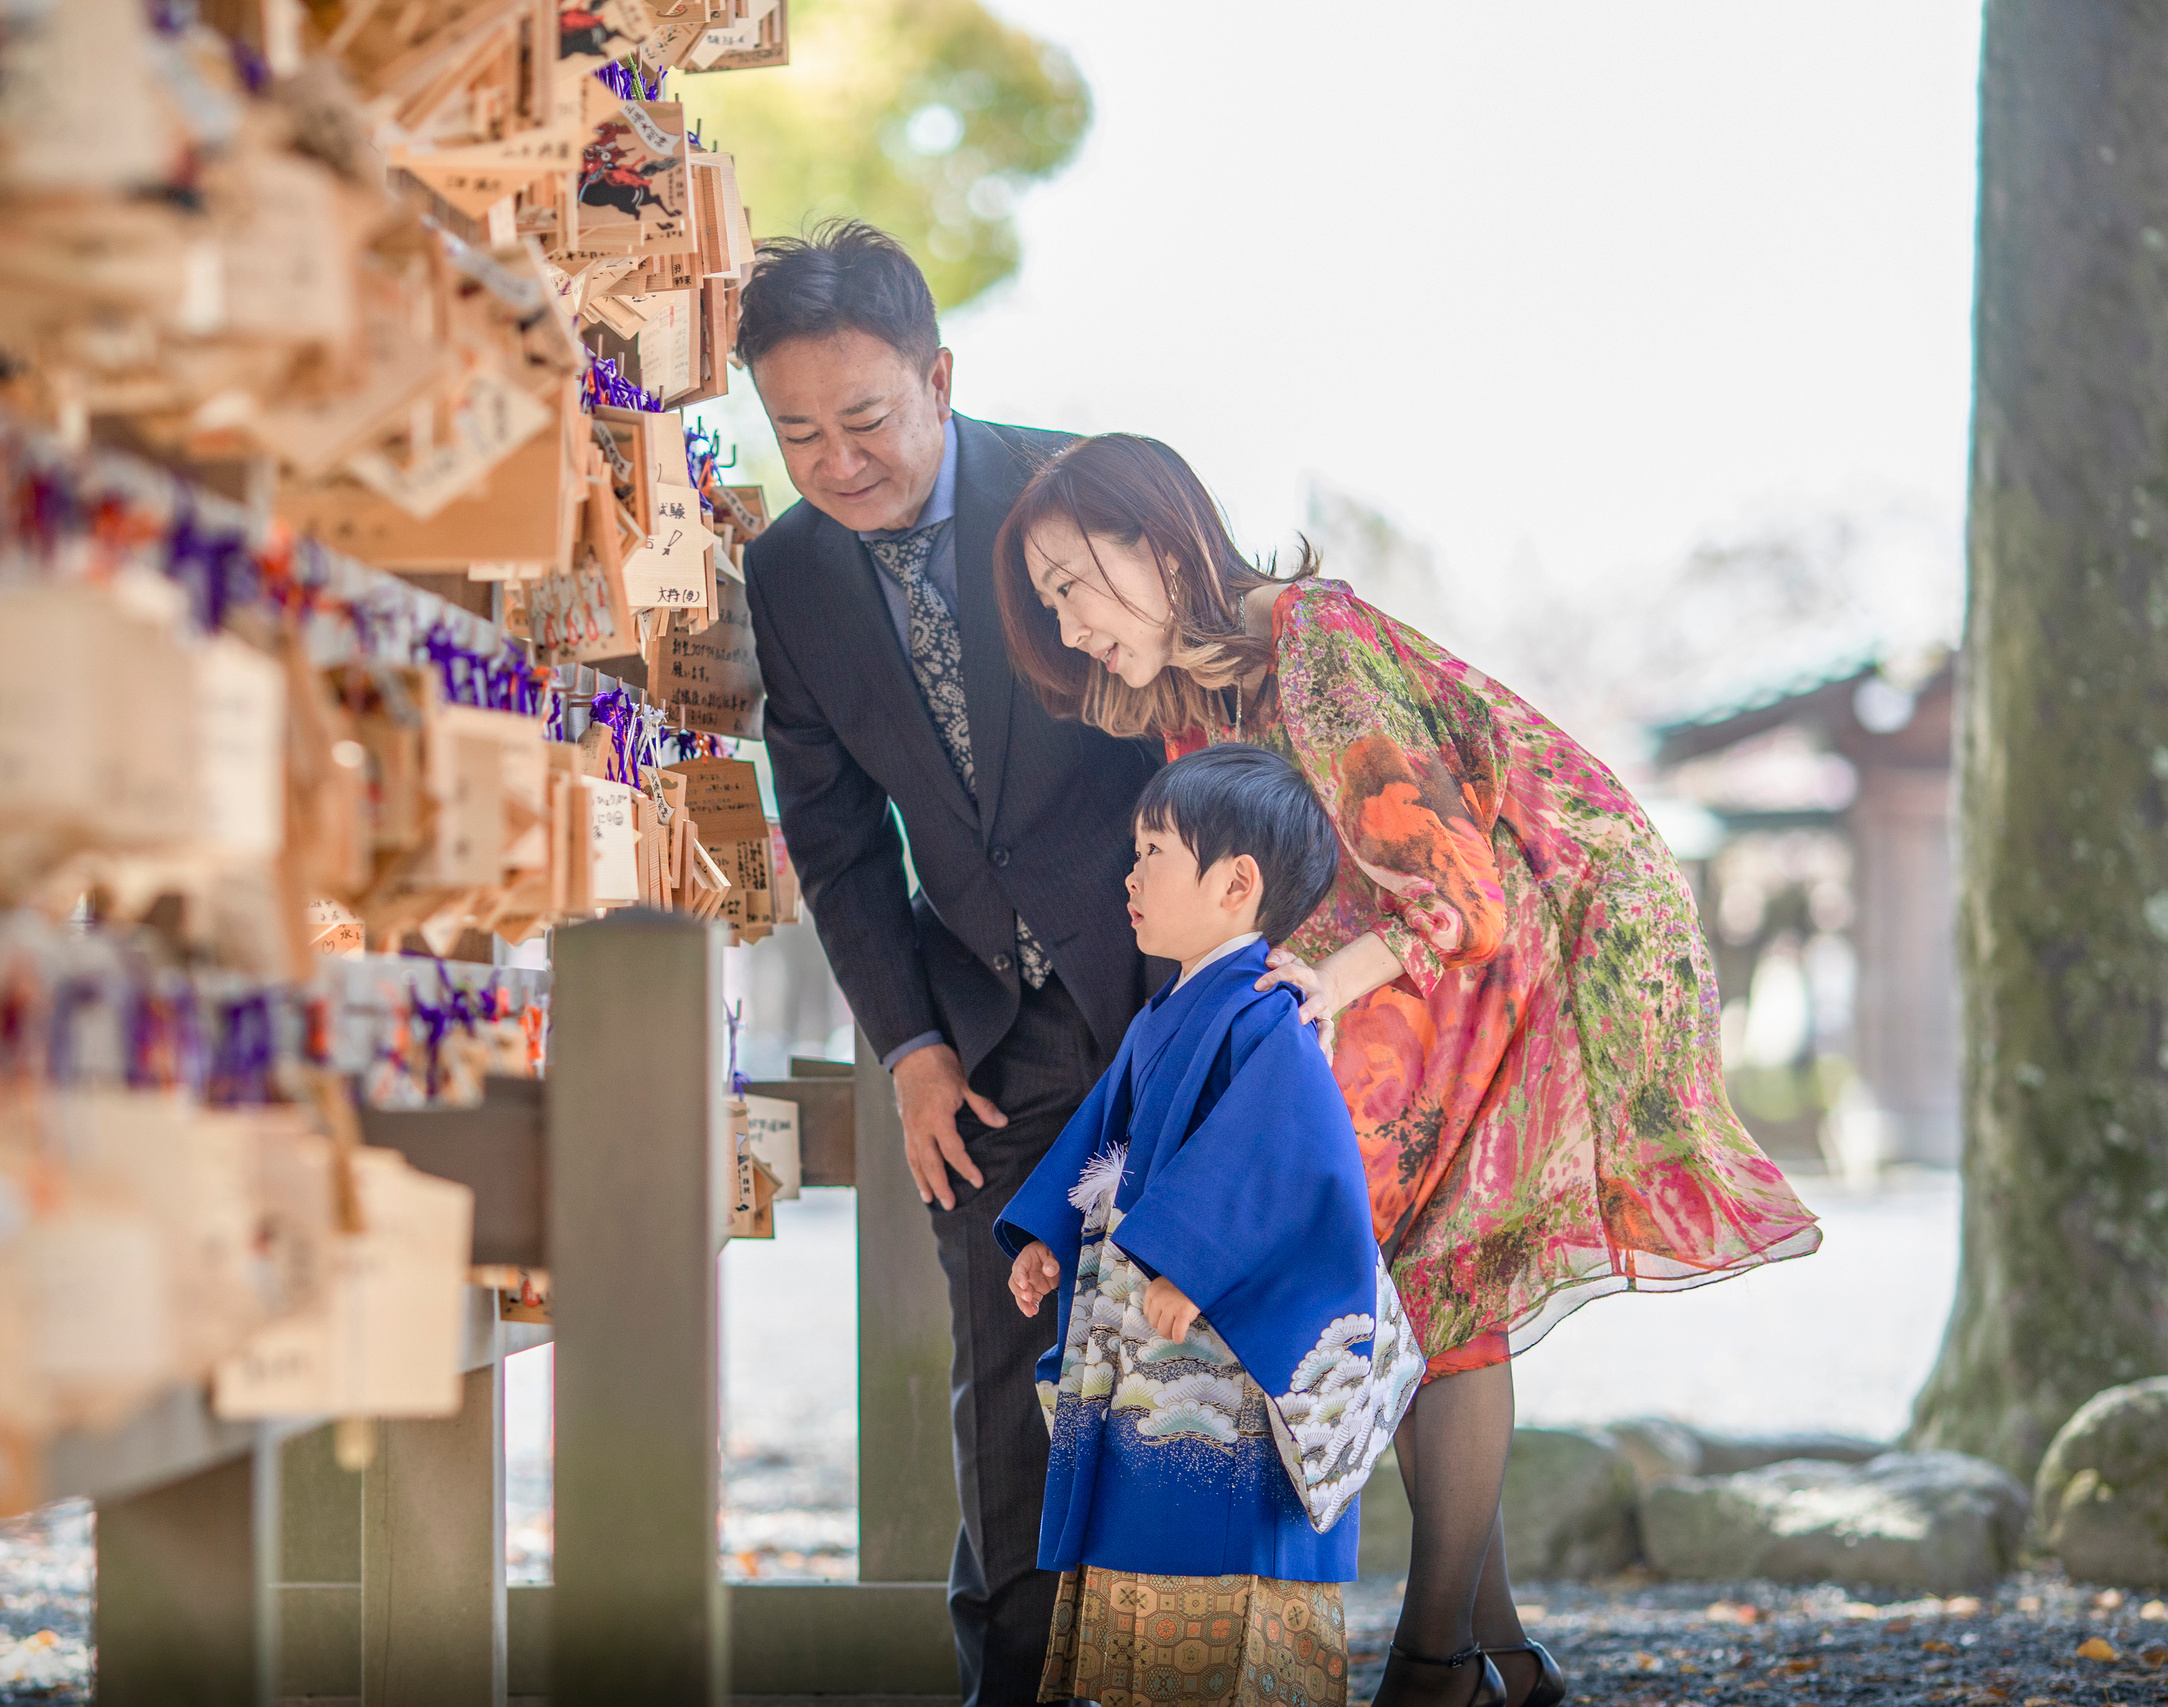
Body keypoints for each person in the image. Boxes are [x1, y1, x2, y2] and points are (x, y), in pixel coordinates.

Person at [991, 433, 1825, 1707]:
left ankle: (1434, 1660)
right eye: (1048, 602)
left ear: (1161, 544)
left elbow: (1459, 888)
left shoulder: (1315, 640)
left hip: (1532, 927)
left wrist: (1323, 986)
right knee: (1407, 1285)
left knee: (1417, 1278)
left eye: (1076, 581)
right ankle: (1496, 1660)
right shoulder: (1194, 704)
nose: (1069, 621)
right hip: (1393, 959)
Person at [736, 223, 1166, 1703]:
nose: (837, 459)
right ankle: (1016, 1682)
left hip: (1173, 995)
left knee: (1199, 1350)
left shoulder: (1081, 494)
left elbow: (1212, 728)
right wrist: (911, 1047)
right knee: (1006, 1379)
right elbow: (840, 841)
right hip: (983, 1028)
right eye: (798, 433)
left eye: (865, 418)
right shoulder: (784, 577)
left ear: (939, 375)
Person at [995, 743, 1427, 1707]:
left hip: (1213, 1349)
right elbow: (1095, 1136)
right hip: (1152, 1344)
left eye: (1154, 851)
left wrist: (1196, 1263)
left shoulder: (1267, 1018)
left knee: (1219, 1543)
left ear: (1236, 884)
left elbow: (1290, 1155)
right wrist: (1045, 1237)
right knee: (1145, 1521)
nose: (1130, 873)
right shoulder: (1169, 1014)